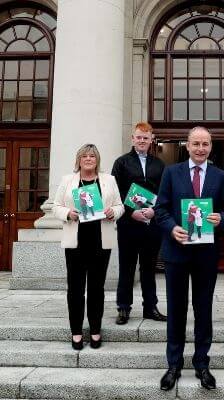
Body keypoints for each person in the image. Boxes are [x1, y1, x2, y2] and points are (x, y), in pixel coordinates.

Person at [156, 126, 224, 391]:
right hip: (177, 252)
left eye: (205, 144)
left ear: (211, 147)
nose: (201, 148)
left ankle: (202, 363)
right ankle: (174, 365)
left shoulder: (220, 176)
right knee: (176, 311)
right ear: (187, 146)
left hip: (205, 255)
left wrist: (221, 218)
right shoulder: (171, 172)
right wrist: (171, 228)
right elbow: (160, 209)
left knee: (203, 311)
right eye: (196, 144)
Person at [53, 144, 124, 350]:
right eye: (84, 155)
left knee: (96, 289)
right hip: (75, 242)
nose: (88, 159)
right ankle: (76, 332)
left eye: (92, 156)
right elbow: (57, 206)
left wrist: (114, 212)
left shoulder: (108, 180)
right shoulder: (68, 180)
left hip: (100, 242)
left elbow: (120, 205)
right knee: (75, 289)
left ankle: (95, 330)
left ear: (97, 159)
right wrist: (68, 214)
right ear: (79, 159)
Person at [112, 122, 166, 325]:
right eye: (139, 137)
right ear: (132, 139)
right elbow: (116, 191)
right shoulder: (121, 163)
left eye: (146, 137)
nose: (142, 141)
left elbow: (164, 192)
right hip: (128, 224)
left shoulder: (159, 164)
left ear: (152, 139)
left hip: (151, 225)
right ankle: (123, 308)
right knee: (126, 267)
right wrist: (131, 212)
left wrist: (154, 211)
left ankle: (150, 307)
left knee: (149, 268)